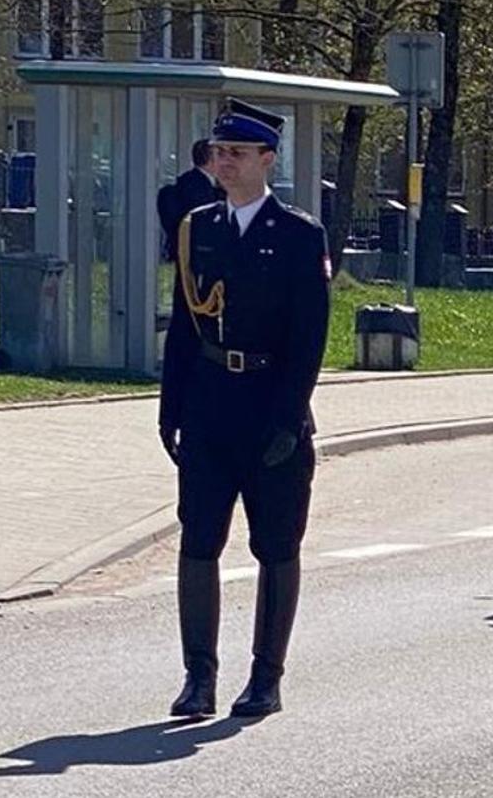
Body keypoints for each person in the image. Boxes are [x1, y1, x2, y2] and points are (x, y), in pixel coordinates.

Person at [160, 99, 331, 718]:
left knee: (276, 545)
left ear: (267, 159)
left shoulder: (298, 235)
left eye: (235, 153)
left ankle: (265, 678)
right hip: (209, 404)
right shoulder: (197, 227)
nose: (223, 163)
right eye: (218, 152)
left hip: (270, 406)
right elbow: (185, 323)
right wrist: (169, 406)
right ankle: (198, 678)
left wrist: (290, 418)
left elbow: (308, 338)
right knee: (199, 539)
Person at [157, 138, 223, 263]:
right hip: (198, 256)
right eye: (220, 155)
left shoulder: (192, 183)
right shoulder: (196, 188)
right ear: (211, 161)